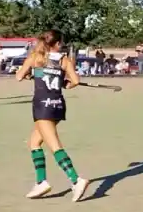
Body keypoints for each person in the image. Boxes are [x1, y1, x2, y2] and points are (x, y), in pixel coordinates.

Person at [14, 30, 90, 201]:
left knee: (54, 146)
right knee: (34, 142)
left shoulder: (35, 58)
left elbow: (19, 76)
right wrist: (64, 84)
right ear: (57, 44)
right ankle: (41, 182)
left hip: (42, 106)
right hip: (58, 105)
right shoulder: (64, 60)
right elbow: (75, 81)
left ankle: (76, 180)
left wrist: (30, 75)